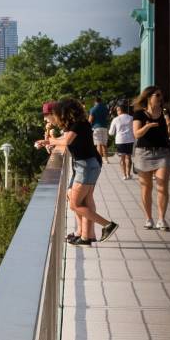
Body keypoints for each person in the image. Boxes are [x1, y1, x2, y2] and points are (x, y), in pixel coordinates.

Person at [38, 98, 118, 246]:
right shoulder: (75, 124)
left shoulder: (78, 124)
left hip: (86, 165)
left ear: (65, 112)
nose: (54, 116)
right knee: (84, 200)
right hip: (85, 164)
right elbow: (66, 138)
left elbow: (66, 141)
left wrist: (50, 140)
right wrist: (50, 141)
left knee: (75, 204)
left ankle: (108, 225)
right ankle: (87, 236)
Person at [132, 86, 170, 230]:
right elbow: (137, 134)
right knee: (146, 188)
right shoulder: (139, 114)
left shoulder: (165, 112)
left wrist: (168, 121)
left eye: (161, 95)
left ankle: (161, 219)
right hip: (144, 154)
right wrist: (148, 126)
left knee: (162, 185)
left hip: (162, 153)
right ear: (149, 97)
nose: (160, 98)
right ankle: (148, 218)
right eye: (157, 95)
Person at [110, 102, 135, 181]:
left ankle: (124, 175)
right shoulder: (131, 118)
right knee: (129, 157)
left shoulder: (116, 119)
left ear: (119, 110)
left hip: (120, 140)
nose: (117, 112)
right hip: (130, 139)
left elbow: (111, 132)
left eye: (117, 110)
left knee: (122, 158)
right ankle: (128, 174)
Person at [88, 94, 111, 162]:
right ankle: (106, 159)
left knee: (98, 144)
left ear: (95, 102)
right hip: (104, 127)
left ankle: (99, 159)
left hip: (96, 128)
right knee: (104, 144)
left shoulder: (93, 109)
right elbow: (107, 118)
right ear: (101, 101)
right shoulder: (105, 108)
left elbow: (90, 120)